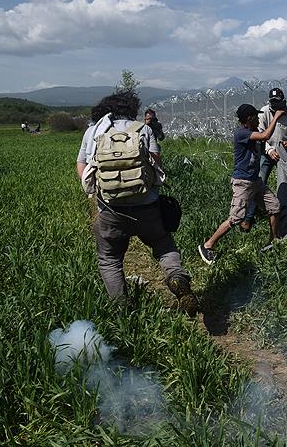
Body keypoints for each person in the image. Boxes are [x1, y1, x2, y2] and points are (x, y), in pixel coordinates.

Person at [75, 90, 197, 314]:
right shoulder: (144, 129)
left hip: (111, 208)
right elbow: (156, 165)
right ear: (132, 109)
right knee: (163, 244)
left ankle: (121, 309)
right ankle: (176, 278)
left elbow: (82, 170)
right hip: (147, 206)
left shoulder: (93, 132)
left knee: (110, 258)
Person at [198, 103, 281, 264]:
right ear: (249, 118)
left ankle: (274, 240)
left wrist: (270, 150)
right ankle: (208, 245)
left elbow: (264, 141)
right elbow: (265, 136)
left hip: (255, 181)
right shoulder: (241, 133)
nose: (258, 119)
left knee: (275, 207)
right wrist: (276, 117)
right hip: (243, 182)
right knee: (236, 218)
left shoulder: (252, 132)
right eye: (256, 117)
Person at [258, 88, 287, 185]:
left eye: (277, 101)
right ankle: (259, 199)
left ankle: (286, 199)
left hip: (284, 153)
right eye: (272, 101)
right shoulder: (264, 112)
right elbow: (260, 135)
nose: (274, 104)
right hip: (266, 153)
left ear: (283, 101)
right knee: (260, 181)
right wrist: (269, 150)